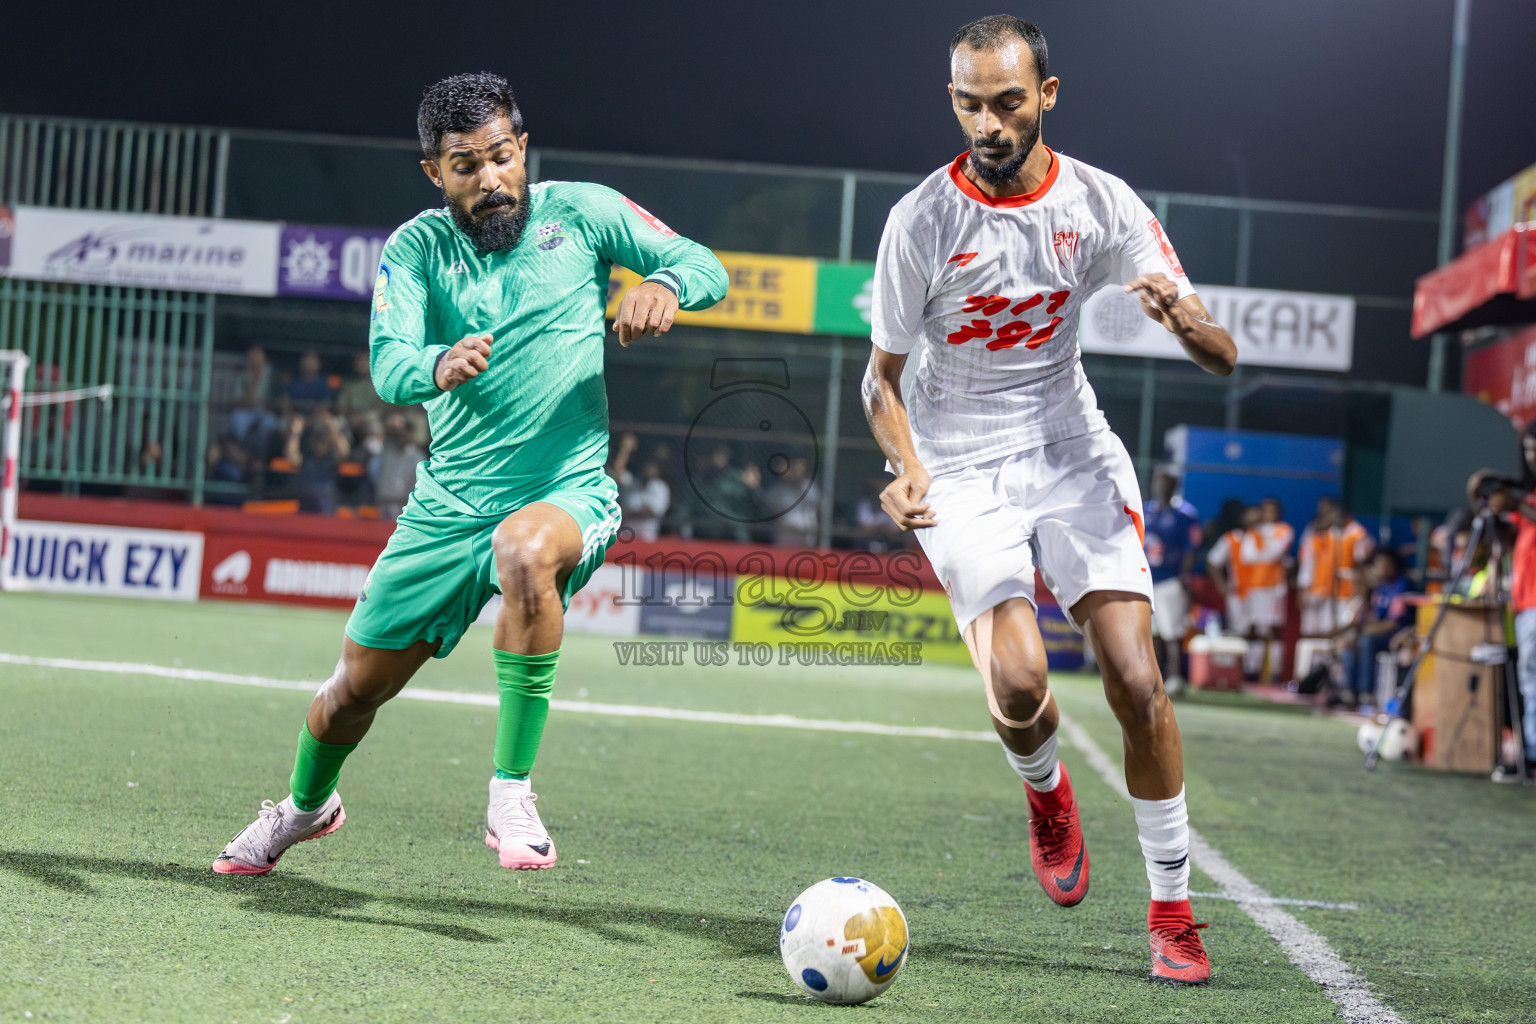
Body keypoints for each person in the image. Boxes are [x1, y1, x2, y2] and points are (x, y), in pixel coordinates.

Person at [213, 73, 727, 876]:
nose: (490, 181)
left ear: (521, 149)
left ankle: (510, 790)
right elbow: (387, 366)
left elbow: (702, 262)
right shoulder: (416, 249)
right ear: (434, 172)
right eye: (465, 165)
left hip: (565, 491)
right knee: (350, 694)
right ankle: (305, 809)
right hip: (446, 507)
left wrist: (664, 283)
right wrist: (434, 361)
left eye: (500, 157)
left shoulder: (584, 212)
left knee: (524, 550)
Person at [861, 17, 1236, 985]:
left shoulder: (1101, 202)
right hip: (958, 463)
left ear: (1048, 95)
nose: (988, 122)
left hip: (1069, 447)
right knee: (1022, 685)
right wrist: (906, 469)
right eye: (969, 103)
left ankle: (1172, 908)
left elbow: (1221, 355)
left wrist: (1183, 315)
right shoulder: (921, 220)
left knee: (1136, 680)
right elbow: (880, 382)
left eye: (1008, 101)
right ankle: (1045, 790)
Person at [1141, 468, 1201, 695]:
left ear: (1174, 486)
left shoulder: (1184, 514)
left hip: (1171, 578)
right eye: (1158, 481)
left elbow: (1192, 547)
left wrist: (1185, 573)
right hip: (1147, 578)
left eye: (1166, 483)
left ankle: (1175, 677)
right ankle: (1157, 676)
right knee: (1153, 631)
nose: (1160, 487)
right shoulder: (1146, 509)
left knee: (1172, 632)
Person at [1338, 549, 1413, 711]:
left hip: (1396, 635)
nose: (1382, 569)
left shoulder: (1401, 585)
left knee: (1366, 641)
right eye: (1379, 565)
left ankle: (1367, 694)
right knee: (1350, 646)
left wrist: (1365, 631)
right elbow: (1370, 619)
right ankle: (1350, 693)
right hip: (1375, 632)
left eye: (1386, 565)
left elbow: (1392, 623)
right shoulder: (1380, 588)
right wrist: (1365, 592)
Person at [1298, 497, 1374, 637]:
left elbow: (1362, 565)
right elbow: (1311, 563)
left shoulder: (1357, 533)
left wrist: (1360, 592)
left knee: (1343, 631)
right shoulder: (1325, 533)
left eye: (1330, 512)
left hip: (1348, 592)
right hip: (1327, 591)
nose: (1327, 516)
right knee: (1323, 630)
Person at [1243, 497, 1295, 682]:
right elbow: (1247, 556)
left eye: (1273, 510)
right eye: (1266, 510)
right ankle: (1252, 669)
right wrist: (1266, 549)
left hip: (1275, 586)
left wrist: (1264, 549)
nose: (1269, 514)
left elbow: (1277, 552)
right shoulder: (1253, 531)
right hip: (1255, 585)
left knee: (1273, 628)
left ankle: (1275, 671)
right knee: (1256, 627)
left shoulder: (1285, 530)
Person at [1205, 505, 1260, 645]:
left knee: (1261, 633)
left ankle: (1260, 667)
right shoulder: (1232, 538)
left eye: (1257, 518)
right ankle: (1239, 666)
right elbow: (1213, 561)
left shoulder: (1266, 538)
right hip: (1238, 592)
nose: (1253, 522)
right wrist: (1222, 585)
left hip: (1262, 592)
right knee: (1238, 632)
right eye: (1250, 517)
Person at [286, 410, 351, 515]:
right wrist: (295, 433)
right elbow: (291, 455)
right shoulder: (307, 456)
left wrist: (332, 427)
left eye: (323, 441)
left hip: (326, 508)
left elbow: (344, 451)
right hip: (306, 507)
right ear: (312, 441)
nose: (319, 445)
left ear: (328, 442)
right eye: (317, 441)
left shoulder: (332, 458)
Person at [285, 350, 334, 418]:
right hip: (296, 416)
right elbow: (286, 400)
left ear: (319, 364)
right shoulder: (294, 381)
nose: (309, 363)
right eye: (306, 360)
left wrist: (313, 416)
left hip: (317, 417)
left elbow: (326, 403)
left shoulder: (323, 383)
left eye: (312, 360)